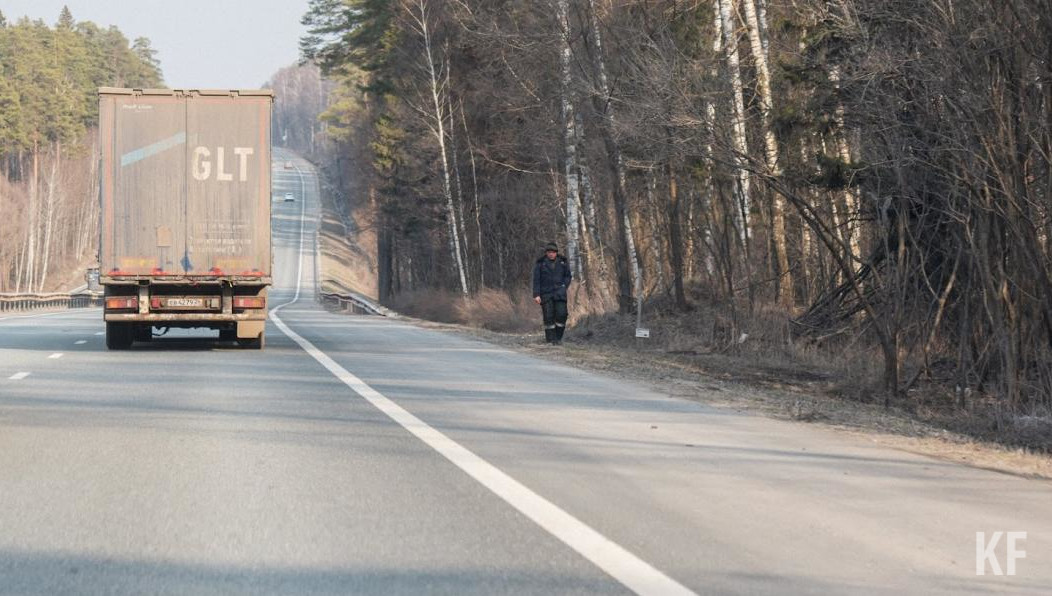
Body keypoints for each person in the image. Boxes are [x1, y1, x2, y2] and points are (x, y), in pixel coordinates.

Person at [532, 242, 572, 344]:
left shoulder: (563, 262)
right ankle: (550, 340)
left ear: (556, 253)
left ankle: (558, 338)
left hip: (560, 293)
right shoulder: (540, 263)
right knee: (548, 316)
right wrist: (536, 294)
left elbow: (568, 276)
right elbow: (536, 280)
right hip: (546, 294)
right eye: (549, 252)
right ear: (546, 253)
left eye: (553, 252)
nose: (551, 254)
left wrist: (564, 286)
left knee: (562, 314)